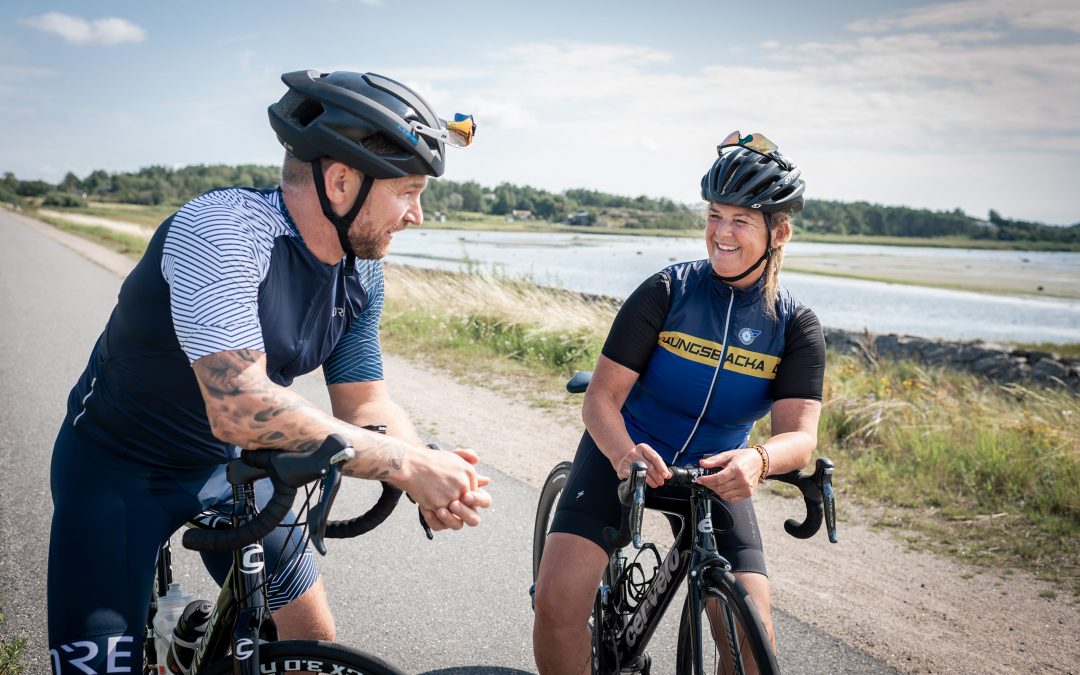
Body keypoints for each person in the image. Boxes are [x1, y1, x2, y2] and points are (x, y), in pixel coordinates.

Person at [47, 69, 490, 674]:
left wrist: (421, 460)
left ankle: (189, 651)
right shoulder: (220, 231)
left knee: (309, 642)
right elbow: (240, 406)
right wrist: (409, 466)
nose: (418, 214)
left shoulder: (361, 270)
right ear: (340, 181)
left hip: (236, 469)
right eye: (409, 190)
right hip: (120, 467)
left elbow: (364, 404)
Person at [533, 131, 825, 673]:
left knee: (751, 648)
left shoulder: (795, 327)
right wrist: (625, 456)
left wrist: (757, 462)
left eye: (741, 219)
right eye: (715, 215)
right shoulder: (667, 292)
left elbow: (800, 437)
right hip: (626, 451)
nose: (721, 232)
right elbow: (600, 399)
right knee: (556, 605)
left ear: (778, 231)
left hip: (718, 472)